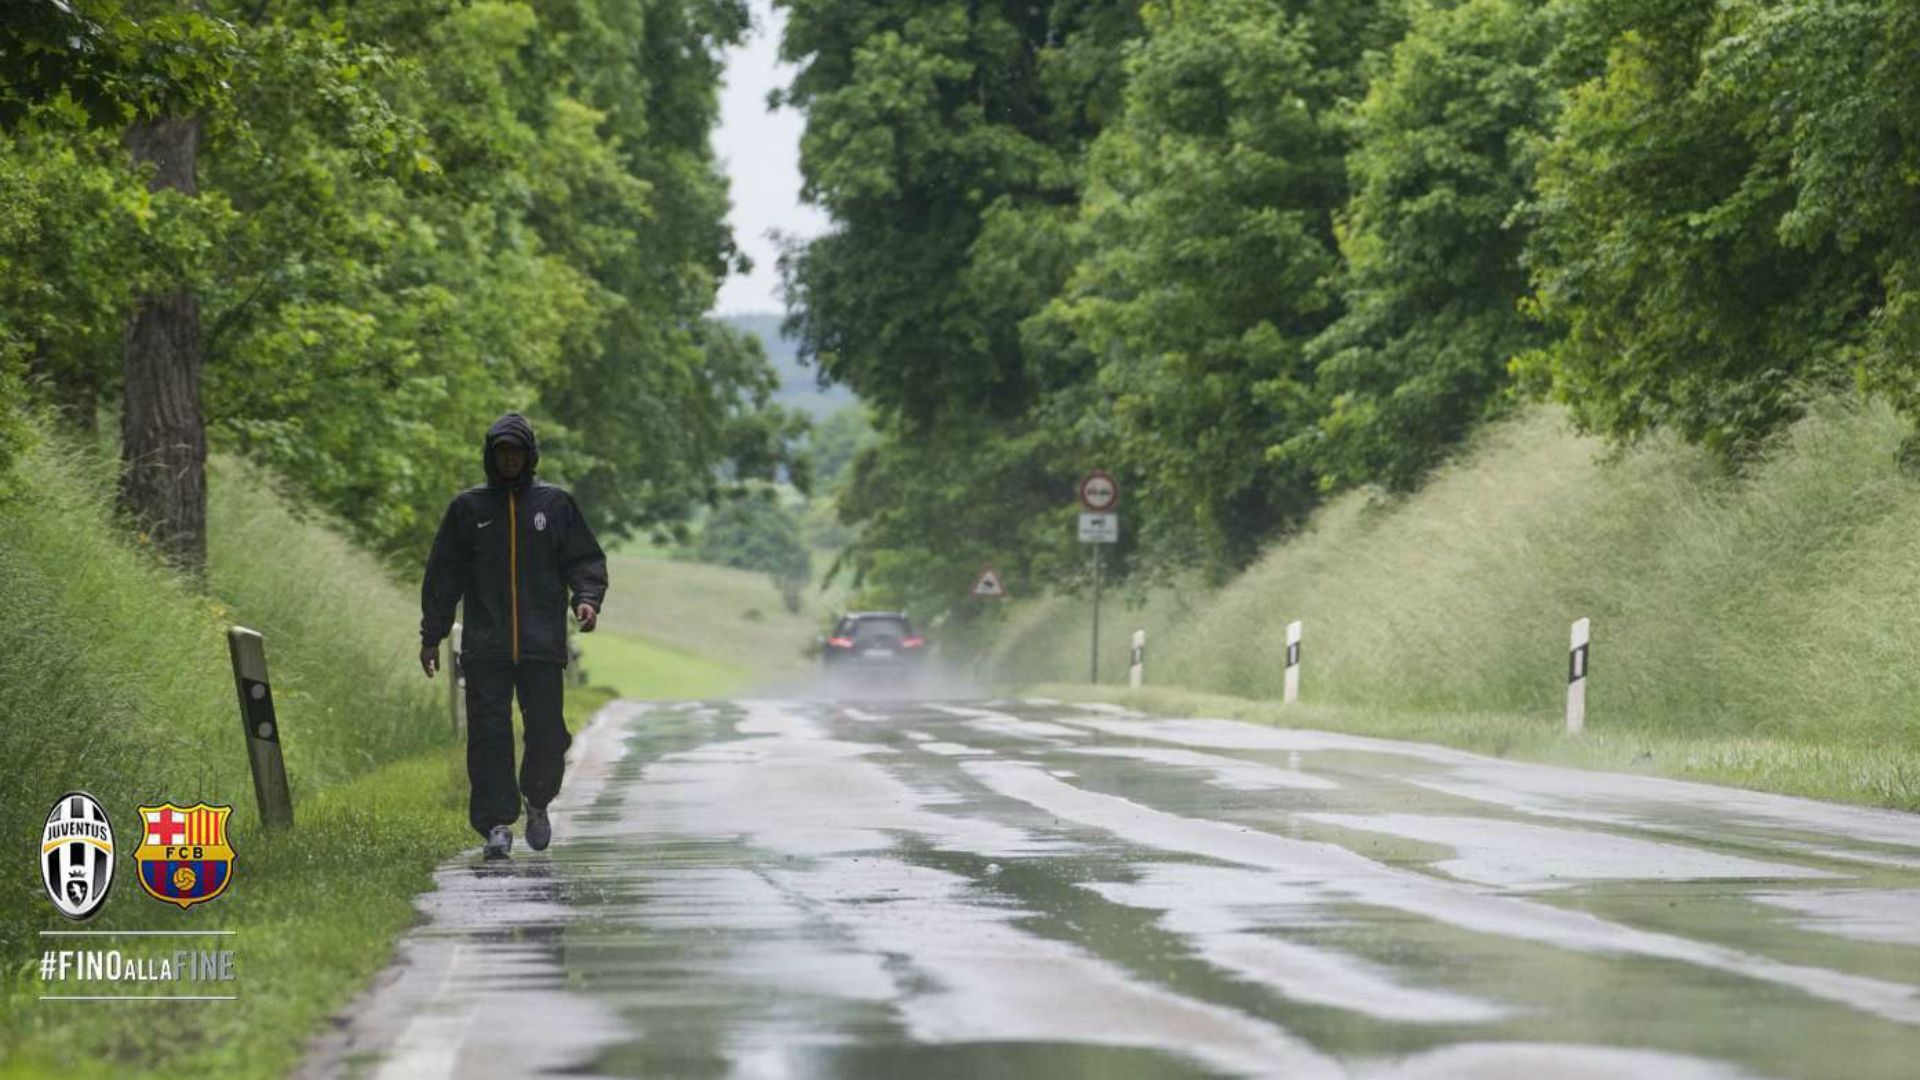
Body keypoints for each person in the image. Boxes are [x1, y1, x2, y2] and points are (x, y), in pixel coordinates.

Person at [419, 413, 608, 859]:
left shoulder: (555, 505)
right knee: (489, 734)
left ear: (529, 457)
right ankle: (497, 824)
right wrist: (432, 635)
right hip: (487, 647)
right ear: (490, 455)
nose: (509, 459)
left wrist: (586, 599)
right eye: (502, 451)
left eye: (516, 452)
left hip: (542, 646)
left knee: (547, 733)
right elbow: (442, 578)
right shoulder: (468, 509)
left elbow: (583, 560)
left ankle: (537, 801)